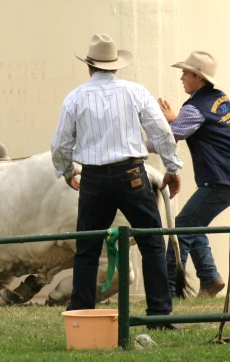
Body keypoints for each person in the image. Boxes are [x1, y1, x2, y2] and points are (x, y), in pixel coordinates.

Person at [51, 33, 183, 325]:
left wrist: (67, 170)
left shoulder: (75, 97)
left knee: (87, 247)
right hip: (132, 175)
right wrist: (172, 169)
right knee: (151, 242)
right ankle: (160, 313)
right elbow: (161, 132)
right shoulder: (135, 92)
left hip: (94, 178)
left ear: (89, 66)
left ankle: (82, 312)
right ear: (115, 66)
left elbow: (60, 145)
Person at [151, 51, 230, 298]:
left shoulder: (195, 108)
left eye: (185, 73)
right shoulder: (218, 98)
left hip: (219, 181)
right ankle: (209, 277)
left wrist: (134, 147)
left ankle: (169, 292)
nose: (181, 77)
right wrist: (176, 119)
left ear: (198, 78)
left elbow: (170, 137)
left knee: (181, 227)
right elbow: (192, 126)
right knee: (194, 223)